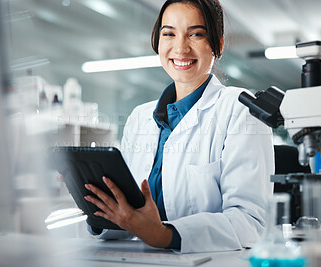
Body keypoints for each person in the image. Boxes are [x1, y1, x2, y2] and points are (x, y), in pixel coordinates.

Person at [84, 0, 274, 253]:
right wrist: (97, 207)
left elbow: (250, 222)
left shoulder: (241, 109)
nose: (181, 47)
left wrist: (165, 236)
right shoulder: (140, 117)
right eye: (169, 34)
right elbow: (130, 217)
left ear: (218, 43)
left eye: (196, 34)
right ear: (157, 41)